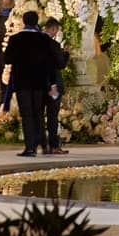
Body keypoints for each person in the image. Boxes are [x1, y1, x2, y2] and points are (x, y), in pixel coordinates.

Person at [3, 11, 58, 156]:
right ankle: (43, 144)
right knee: (39, 113)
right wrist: (52, 83)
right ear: (36, 21)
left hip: (23, 82)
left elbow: (7, 58)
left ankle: (30, 147)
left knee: (27, 114)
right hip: (40, 82)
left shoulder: (15, 39)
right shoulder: (44, 39)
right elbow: (50, 63)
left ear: (24, 21)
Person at [42, 18, 71, 154]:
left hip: (39, 85)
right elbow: (60, 64)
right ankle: (54, 145)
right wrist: (66, 54)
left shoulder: (35, 44)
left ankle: (42, 145)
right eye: (57, 30)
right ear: (53, 29)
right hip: (53, 86)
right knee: (52, 116)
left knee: (40, 116)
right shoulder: (53, 44)